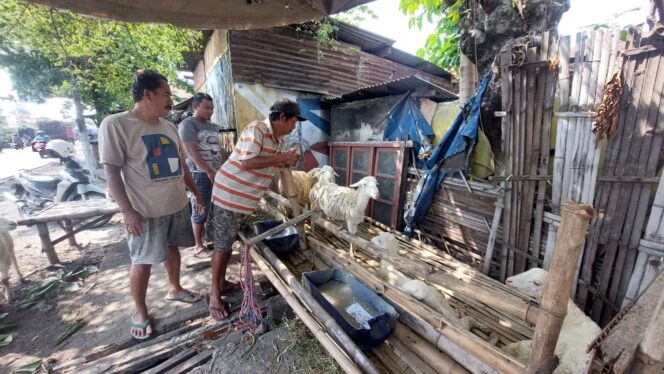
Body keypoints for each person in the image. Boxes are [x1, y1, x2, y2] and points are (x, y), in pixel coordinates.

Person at [99, 70, 205, 340]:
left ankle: (175, 288)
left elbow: (182, 165)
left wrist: (196, 193)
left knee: (172, 248)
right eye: (166, 94)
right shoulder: (117, 124)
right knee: (142, 260)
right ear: (147, 95)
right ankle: (139, 309)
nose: (170, 100)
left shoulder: (168, 126)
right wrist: (127, 211)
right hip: (144, 210)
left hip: (175, 204)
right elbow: (111, 170)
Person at [208, 98, 303, 320]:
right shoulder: (257, 129)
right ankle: (214, 295)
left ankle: (221, 283)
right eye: (293, 122)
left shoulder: (277, 140)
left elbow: (276, 164)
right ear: (281, 117)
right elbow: (246, 162)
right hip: (229, 196)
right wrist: (282, 157)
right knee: (222, 247)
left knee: (228, 243)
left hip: (242, 200)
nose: (293, 127)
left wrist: (290, 159)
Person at [178, 93, 224, 255]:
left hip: (214, 172)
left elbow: (216, 150)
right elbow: (191, 151)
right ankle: (198, 244)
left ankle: (208, 239)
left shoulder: (211, 126)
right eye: (206, 108)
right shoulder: (188, 124)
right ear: (195, 106)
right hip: (199, 173)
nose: (210, 111)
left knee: (212, 207)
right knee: (200, 207)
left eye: (212, 108)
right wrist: (208, 171)